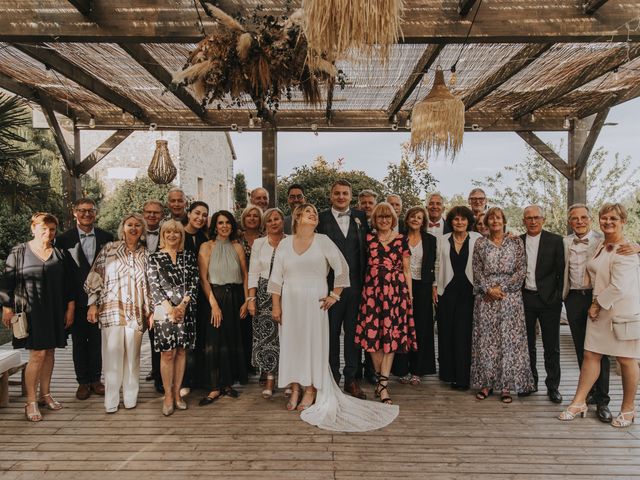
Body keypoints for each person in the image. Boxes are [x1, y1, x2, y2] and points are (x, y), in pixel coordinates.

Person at [268, 204, 398, 431]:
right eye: (309, 212)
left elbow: (342, 269)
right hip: (290, 302)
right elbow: (276, 278)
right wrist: (276, 306)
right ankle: (296, 386)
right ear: (298, 217)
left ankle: (310, 389)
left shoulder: (324, 241)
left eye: (315, 213)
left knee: (312, 345)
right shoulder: (284, 243)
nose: (313, 215)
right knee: (293, 344)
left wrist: (334, 295)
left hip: (315, 302)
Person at [559, 203, 640, 428]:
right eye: (605, 218)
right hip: (598, 310)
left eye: (613, 219)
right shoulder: (602, 245)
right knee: (591, 355)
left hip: (618, 311)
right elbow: (592, 270)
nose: (608, 222)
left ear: (623, 221)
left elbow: (619, 286)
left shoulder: (626, 250)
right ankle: (579, 402)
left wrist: (596, 304)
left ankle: (628, 409)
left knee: (626, 359)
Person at [1, 213, 74, 422]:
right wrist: (6, 307)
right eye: (43, 228)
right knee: (38, 354)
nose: (48, 233)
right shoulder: (19, 251)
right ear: (33, 228)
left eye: (51, 229)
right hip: (30, 310)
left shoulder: (60, 254)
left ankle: (45, 394)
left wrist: (70, 308)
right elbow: (7, 281)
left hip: (54, 309)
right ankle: (31, 401)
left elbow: (68, 284)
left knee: (50, 352)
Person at [85, 213, 150, 413]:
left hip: (136, 311)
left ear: (142, 230)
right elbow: (95, 275)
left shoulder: (147, 254)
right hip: (111, 309)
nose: (133, 228)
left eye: (137, 225)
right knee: (112, 356)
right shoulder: (109, 249)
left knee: (132, 357)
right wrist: (92, 304)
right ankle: (111, 400)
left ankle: (130, 397)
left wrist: (151, 312)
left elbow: (151, 285)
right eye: (129, 224)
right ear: (123, 227)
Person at [355, 202, 417, 404]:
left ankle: (382, 385)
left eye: (387, 217)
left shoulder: (401, 240)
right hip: (372, 292)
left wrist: (409, 296)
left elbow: (407, 270)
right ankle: (382, 380)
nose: (383, 220)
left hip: (395, 292)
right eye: (380, 217)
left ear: (393, 219)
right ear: (374, 219)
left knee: (390, 337)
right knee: (373, 339)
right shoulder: (368, 239)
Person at [471, 207, 534, 402]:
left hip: (510, 298)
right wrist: (489, 289)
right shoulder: (480, 243)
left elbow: (521, 270)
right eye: (491, 218)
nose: (495, 221)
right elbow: (477, 269)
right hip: (486, 298)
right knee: (486, 341)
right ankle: (486, 384)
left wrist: (502, 288)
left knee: (508, 342)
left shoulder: (515, 242)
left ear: (504, 220)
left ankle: (506, 386)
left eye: (498, 218)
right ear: (487, 222)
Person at [56, 198, 113, 401]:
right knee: (79, 342)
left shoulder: (107, 237)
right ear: (75, 213)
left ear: (95, 213)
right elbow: (64, 275)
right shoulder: (64, 240)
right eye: (82, 211)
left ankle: (96, 379)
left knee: (97, 342)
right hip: (76, 300)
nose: (86, 214)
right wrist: (69, 304)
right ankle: (82, 382)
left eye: (90, 210)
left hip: (100, 300)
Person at [317, 180, 369, 399]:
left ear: (350, 196)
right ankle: (331, 378)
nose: (340, 197)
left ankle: (351, 379)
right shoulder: (320, 218)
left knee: (353, 334)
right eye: (336, 193)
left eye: (344, 193)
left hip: (357, 285)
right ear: (330, 195)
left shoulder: (362, 217)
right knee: (329, 333)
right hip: (329, 287)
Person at [562, 204, 611, 422]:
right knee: (582, 348)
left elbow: (626, 245)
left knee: (600, 350)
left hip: (596, 298)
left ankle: (603, 401)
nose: (579, 221)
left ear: (590, 219)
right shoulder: (564, 242)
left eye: (583, 217)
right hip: (573, 297)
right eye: (575, 218)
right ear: (569, 222)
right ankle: (587, 393)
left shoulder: (603, 240)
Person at [198, 210, 249, 405]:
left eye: (228, 222)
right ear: (215, 226)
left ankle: (228, 384)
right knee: (214, 341)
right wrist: (214, 305)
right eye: (220, 223)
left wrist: (246, 300)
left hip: (236, 297)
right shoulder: (206, 246)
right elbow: (203, 279)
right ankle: (213, 387)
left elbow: (245, 275)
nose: (224, 226)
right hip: (215, 297)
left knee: (231, 340)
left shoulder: (237, 246)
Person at [148, 220, 199, 416]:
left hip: (185, 310)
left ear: (181, 236)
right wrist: (171, 309)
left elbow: (194, 283)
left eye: (176, 232)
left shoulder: (188, 256)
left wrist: (183, 306)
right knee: (167, 353)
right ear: (163, 235)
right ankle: (168, 395)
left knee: (181, 352)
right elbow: (154, 286)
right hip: (164, 311)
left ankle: (178, 393)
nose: (172, 235)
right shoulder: (154, 258)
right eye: (168, 232)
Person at [434, 206, 481, 391]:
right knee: (446, 332)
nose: (459, 222)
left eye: (463, 219)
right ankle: (448, 373)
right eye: (455, 219)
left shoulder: (478, 239)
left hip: (469, 292)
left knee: (464, 334)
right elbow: (437, 265)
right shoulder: (442, 240)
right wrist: (434, 287)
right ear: (451, 221)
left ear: (469, 221)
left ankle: (463, 377)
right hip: (447, 291)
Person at [520, 205, 565, 403]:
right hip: (525, 298)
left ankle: (553, 386)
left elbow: (561, 271)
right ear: (524, 221)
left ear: (543, 219)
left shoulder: (555, 240)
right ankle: (530, 383)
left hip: (549, 300)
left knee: (551, 345)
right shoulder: (517, 241)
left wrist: (558, 297)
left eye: (536, 217)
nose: (533, 221)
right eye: (529, 218)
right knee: (527, 344)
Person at [393, 206, 437, 385]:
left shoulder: (431, 240)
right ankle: (401, 369)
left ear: (423, 221)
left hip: (424, 287)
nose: (415, 219)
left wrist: (434, 286)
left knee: (422, 328)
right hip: (401, 286)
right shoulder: (398, 238)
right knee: (401, 326)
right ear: (407, 219)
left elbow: (436, 264)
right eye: (412, 216)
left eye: (419, 217)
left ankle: (418, 370)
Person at [247, 208, 285, 398]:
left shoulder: (291, 241)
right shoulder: (259, 244)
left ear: (282, 221)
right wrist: (251, 298)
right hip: (263, 292)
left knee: (287, 336)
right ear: (265, 224)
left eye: (276, 219)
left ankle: (288, 378)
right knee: (267, 337)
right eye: (269, 220)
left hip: (287, 291)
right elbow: (253, 272)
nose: (273, 223)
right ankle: (269, 378)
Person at [181, 200, 209, 395]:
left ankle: (198, 377)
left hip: (202, 294)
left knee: (200, 337)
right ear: (189, 213)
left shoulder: (204, 238)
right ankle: (183, 381)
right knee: (184, 340)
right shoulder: (177, 234)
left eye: (204, 215)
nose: (200, 217)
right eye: (197, 213)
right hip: (181, 294)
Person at [238, 204, 263, 375]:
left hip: (261, 285)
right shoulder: (237, 238)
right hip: (239, 285)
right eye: (249, 215)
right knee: (244, 326)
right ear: (244, 218)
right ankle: (245, 364)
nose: (252, 218)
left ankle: (262, 365)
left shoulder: (266, 237)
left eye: (255, 216)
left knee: (260, 325)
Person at [142, 199, 164, 392]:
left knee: (157, 335)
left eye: (156, 213)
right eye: (148, 212)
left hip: (160, 292)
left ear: (162, 215)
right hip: (138, 292)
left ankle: (159, 375)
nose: (151, 215)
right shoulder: (134, 233)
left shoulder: (167, 234)